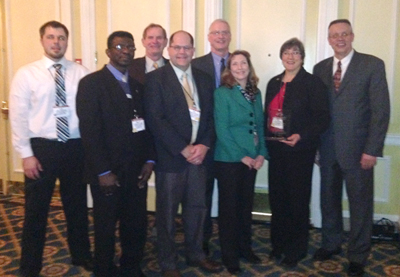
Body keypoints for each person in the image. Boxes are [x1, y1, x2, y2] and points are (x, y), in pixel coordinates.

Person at [8, 21, 92, 277]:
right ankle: (30, 266)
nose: (56, 42)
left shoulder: (81, 72)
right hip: (42, 149)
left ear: (67, 41)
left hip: (75, 148)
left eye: (61, 38)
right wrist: (26, 154)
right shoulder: (26, 74)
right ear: (42, 40)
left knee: (76, 207)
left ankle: (81, 254)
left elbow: (88, 114)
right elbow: (18, 117)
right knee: (36, 211)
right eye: (51, 37)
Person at [313, 19, 390, 276]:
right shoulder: (320, 68)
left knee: (360, 204)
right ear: (329, 40)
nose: (340, 39)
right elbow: (317, 111)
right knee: (328, 200)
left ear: (352, 36)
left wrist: (372, 149)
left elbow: (381, 111)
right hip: (327, 148)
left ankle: (358, 254)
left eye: (344, 34)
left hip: (359, 152)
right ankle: (331, 243)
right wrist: (315, 146)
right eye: (334, 35)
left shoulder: (372, 65)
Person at [76, 31, 154, 277]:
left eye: (130, 47)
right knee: (105, 227)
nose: (126, 51)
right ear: (109, 52)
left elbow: (147, 128)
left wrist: (150, 160)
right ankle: (104, 269)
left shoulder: (139, 86)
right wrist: (103, 171)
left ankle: (131, 266)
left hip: (136, 171)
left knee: (136, 224)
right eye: (120, 46)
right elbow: (89, 132)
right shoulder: (91, 84)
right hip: (107, 173)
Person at [144, 30, 221, 277]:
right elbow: (156, 120)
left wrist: (205, 145)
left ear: (193, 50)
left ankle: (196, 253)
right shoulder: (156, 79)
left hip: (200, 157)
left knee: (197, 209)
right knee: (166, 214)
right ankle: (168, 263)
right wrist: (183, 148)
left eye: (186, 48)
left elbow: (210, 117)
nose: (182, 52)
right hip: (171, 158)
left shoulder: (205, 78)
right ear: (169, 50)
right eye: (177, 47)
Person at [264, 38, 330, 268]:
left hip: (299, 152)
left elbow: (322, 118)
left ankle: (296, 248)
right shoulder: (273, 83)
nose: (290, 57)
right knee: (277, 200)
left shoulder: (312, 83)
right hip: (277, 150)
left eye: (295, 53)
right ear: (281, 56)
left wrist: (301, 136)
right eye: (286, 52)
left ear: (302, 57)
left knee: (297, 201)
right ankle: (278, 245)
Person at [214, 50, 268, 275]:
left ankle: (245, 248)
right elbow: (222, 130)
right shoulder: (222, 93)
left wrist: (261, 153)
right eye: (234, 64)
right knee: (229, 210)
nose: (239, 67)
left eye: (243, 63)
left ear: (249, 66)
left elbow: (260, 126)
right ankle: (230, 256)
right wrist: (242, 156)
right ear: (229, 69)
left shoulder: (255, 92)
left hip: (252, 160)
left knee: (246, 208)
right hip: (229, 160)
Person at [191, 19, 231, 255]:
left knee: (229, 196)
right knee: (201, 196)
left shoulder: (239, 63)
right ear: (208, 36)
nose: (220, 36)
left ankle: (230, 242)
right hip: (203, 142)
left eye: (224, 32)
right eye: (216, 32)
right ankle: (201, 242)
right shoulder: (195, 64)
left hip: (230, 145)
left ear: (230, 36)